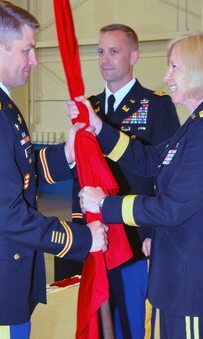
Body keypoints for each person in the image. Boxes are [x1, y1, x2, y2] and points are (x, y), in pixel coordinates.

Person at [0, 0, 109, 339]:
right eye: (27, 50)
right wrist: (81, 238)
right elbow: (7, 213)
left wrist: (66, 155)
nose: (35, 61)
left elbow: (13, 173)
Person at [73, 29, 203, 339]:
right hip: (178, 276)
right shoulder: (199, 122)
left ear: (201, 68)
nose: (167, 76)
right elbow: (150, 160)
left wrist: (104, 205)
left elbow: (171, 208)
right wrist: (98, 127)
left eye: (175, 66)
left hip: (193, 283)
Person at [71, 24, 180, 339]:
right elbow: (81, 171)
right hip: (96, 232)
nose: (105, 59)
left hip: (135, 235)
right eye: (101, 51)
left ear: (134, 55)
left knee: (130, 322)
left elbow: (166, 173)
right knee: (98, 317)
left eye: (114, 51)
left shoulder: (156, 105)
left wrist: (157, 232)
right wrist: (80, 225)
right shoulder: (89, 106)